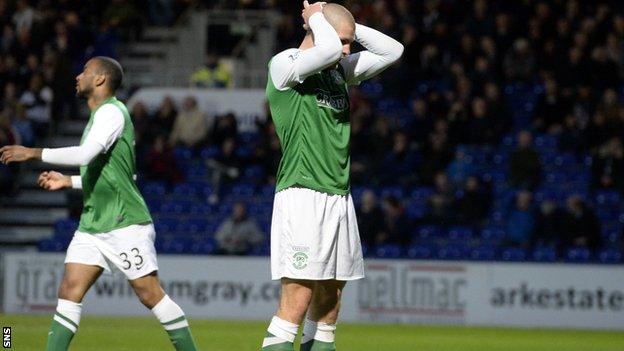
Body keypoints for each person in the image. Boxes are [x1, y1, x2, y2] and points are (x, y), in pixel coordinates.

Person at [0, 57, 198, 351]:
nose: (78, 76)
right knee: (69, 290)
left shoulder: (112, 113)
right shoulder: (100, 118)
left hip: (124, 222)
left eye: (85, 72)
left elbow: (84, 156)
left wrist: (32, 152)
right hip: (93, 224)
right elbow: (116, 175)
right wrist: (70, 182)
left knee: (149, 294)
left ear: (101, 79)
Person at [263, 2, 403, 350]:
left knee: (329, 305)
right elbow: (326, 49)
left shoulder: (339, 70)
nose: (345, 50)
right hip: (302, 193)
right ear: (313, 30)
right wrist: (319, 19)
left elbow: (393, 50)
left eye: (349, 43)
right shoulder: (285, 64)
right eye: (342, 41)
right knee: (296, 302)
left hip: (339, 196)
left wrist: (347, 28)